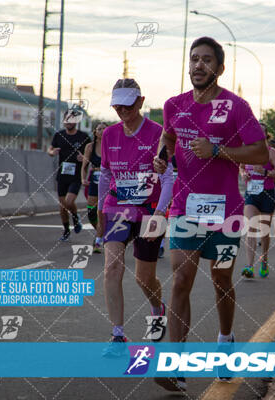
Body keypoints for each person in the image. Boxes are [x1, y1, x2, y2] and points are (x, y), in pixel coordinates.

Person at [153, 36, 268, 391]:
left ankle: (225, 340)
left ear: (219, 68)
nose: (198, 65)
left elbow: (261, 154)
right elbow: (169, 138)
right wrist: (162, 157)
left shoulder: (237, 107)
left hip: (225, 211)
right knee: (182, 281)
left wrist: (218, 149)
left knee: (221, 282)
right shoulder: (173, 105)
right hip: (186, 207)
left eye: (206, 60)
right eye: (194, 59)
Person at [97, 79, 174, 356]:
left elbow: (167, 178)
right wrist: (98, 210)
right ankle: (118, 336)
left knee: (144, 278)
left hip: (147, 208)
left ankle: (157, 307)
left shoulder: (158, 134)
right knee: (112, 268)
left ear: (140, 102)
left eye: (128, 104)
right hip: (117, 206)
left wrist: (158, 213)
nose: (121, 110)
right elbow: (105, 174)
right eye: (117, 104)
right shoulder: (109, 135)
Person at [240, 124, 275, 279]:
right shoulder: (247, 151)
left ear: (266, 135)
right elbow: (242, 167)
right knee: (251, 228)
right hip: (251, 193)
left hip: (268, 193)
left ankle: (264, 260)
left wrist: (265, 172)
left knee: (264, 232)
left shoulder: (271, 152)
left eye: (261, 131)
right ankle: (249, 266)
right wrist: (244, 174)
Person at [47, 112, 90, 241]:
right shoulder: (59, 135)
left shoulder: (83, 137)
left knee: (69, 201)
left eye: (71, 120)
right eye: (66, 119)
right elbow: (49, 150)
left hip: (76, 174)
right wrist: (52, 152)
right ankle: (66, 231)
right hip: (62, 174)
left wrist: (84, 158)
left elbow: (91, 153)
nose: (68, 122)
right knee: (62, 206)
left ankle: (76, 218)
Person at [82, 122, 107, 253]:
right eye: (99, 129)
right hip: (94, 178)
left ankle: (98, 241)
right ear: (95, 132)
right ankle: (100, 230)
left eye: (105, 128)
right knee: (92, 212)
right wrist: (83, 178)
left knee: (102, 212)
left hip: (108, 180)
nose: (102, 131)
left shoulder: (112, 145)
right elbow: (84, 165)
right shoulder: (90, 147)